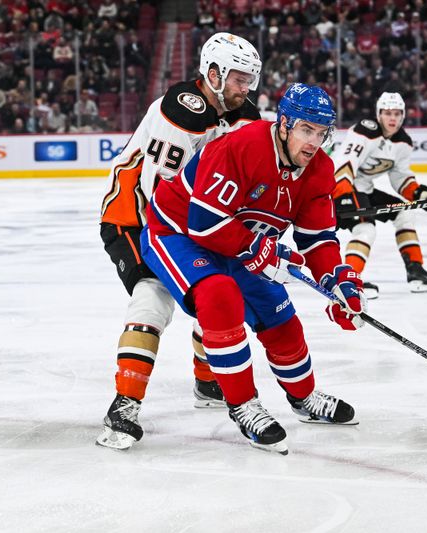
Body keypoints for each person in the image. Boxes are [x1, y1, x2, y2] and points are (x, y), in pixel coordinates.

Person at [139, 84, 365, 454]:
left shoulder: (320, 170)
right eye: (306, 130)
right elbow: (204, 222)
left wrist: (337, 283)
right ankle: (243, 404)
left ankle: (303, 397)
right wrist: (260, 249)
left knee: (281, 319)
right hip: (178, 232)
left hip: (239, 241)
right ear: (285, 124)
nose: (314, 142)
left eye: (321, 133)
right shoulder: (241, 145)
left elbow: (318, 238)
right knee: (219, 295)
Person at [97, 32, 262, 450]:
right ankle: (124, 404)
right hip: (135, 216)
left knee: (217, 292)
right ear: (213, 73)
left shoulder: (245, 115)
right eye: (240, 79)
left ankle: (208, 383)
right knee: (152, 295)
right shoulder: (181, 110)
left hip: (191, 219)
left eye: (251, 79)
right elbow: (160, 192)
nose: (248, 88)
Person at [331, 91, 427, 299]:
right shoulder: (365, 131)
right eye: (387, 113)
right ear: (378, 114)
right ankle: (348, 281)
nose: (392, 118)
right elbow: (345, 164)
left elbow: (400, 178)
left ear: (403, 115)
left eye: (397, 113)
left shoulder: (404, 142)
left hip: (363, 189)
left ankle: (415, 272)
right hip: (337, 188)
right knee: (365, 228)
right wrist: (343, 196)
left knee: (405, 214)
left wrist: (420, 194)